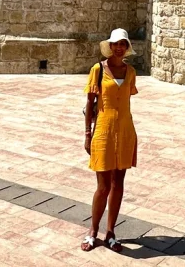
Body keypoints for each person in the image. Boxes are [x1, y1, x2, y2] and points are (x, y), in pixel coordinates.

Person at [81, 28, 138, 253]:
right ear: (110, 46)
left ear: (126, 47)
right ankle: (93, 231)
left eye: (122, 43)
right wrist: (87, 134)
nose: (118, 47)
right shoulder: (97, 70)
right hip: (103, 130)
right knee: (103, 186)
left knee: (118, 184)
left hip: (125, 131)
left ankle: (111, 232)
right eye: (115, 44)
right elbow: (89, 104)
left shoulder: (131, 71)